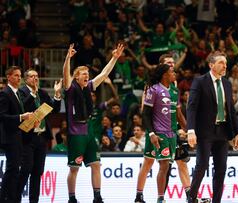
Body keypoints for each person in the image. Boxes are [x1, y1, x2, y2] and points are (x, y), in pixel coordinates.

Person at [63, 43, 124, 203]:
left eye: (87, 73)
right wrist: (68, 58)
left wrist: (114, 58)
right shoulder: (70, 88)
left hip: (88, 130)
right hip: (75, 133)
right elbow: (65, 76)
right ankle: (72, 198)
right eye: (83, 73)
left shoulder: (89, 86)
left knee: (96, 164)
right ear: (76, 77)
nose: (86, 75)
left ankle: (97, 197)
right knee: (74, 168)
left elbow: (104, 74)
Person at [186, 51, 238, 203]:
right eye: (221, 63)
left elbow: (230, 109)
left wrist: (237, 134)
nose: (225, 66)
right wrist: (190, 130)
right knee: (202, 166)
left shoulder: (227, 84)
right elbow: (191, 107)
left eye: (225, 63)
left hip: (222, 132)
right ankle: (191, 198)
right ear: (211, 65)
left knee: (221, 169)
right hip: (204, 131)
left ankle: (216, 201)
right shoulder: (200, 81)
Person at [134, 54, 190, 203]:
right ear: (163, 70)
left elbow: (178, 114)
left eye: (173, 64)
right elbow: (145, 113)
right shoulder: (152, 89)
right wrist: (151, 132)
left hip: (172, 133)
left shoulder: (175, 90)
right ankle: (142, 196)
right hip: (157, 132)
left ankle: (188, 195)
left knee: (174, 164)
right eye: (170, 66)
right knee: (152, 163)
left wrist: (189, 131)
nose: (173, 68)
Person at [17, 69, 62, 203]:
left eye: (37, 76)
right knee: (25, 170)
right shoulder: (21, 93)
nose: (35, 78)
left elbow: (55, 110)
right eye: (32, 76)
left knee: (37, 172)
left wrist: (57, 94)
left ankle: (34, 201)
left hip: (41, 137)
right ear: (26, 80)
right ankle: (15, 198)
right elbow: (22, 108)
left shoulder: (42, 93)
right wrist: (32, 94)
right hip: (27, 138)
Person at [0, 66, 34, 203]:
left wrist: (31, 122)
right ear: (8, 77)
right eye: (15, 75)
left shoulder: (18, 93)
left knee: (15, 170)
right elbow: (2, 116)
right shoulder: (5, 93)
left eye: (20, 75)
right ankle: (4, 198)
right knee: (12, 169)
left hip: (18, 136)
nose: (19, 78)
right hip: (9, 137)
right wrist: (21, 117)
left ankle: (11, 198)